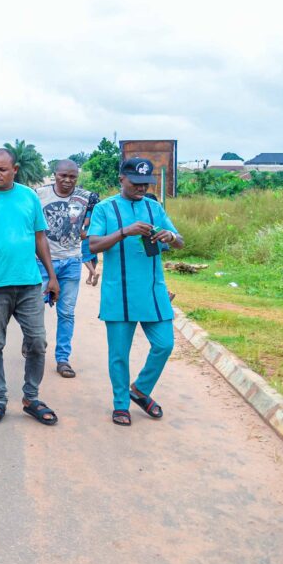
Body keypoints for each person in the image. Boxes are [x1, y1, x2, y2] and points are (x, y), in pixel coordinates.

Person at [0, 148, 60, 427]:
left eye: (1, 170)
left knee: (38, 342)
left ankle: (31, 398)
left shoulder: (29, 197)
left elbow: (40, 238)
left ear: (14, 169)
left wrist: (51, 276)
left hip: (29, 284)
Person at [87, 158, 183, 427]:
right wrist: (125, 231)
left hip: (154, 291)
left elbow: (180, 241)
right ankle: (121, 404)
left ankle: (140, 389)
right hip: (120, 294)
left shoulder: (154, 207)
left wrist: (170, 237)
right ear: (122, 179)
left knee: (165, 344)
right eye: (136, 183)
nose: (142, 188)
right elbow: (93, 245)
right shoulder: (105, 209)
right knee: (119, 354)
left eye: (146, 183)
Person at [35, 159, 99, 379]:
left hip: (71, 261)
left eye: (72, 176)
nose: (67, 180)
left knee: (67, 313)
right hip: (42, 261)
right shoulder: (39, 195)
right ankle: (34, 342)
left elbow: (91, 224)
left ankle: (63, 359)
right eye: (63, 175)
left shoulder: (85, 197)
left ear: (77, 178)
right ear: (55, 175)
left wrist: (86, 234)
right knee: (34, 310)